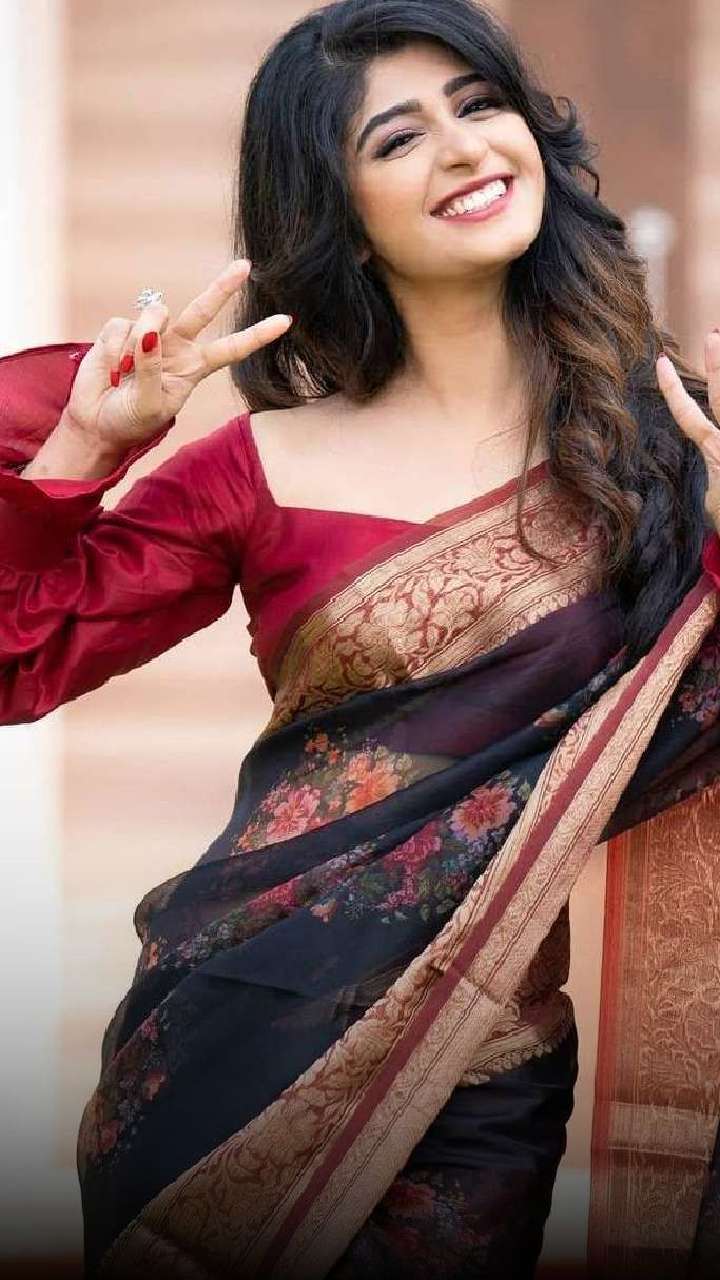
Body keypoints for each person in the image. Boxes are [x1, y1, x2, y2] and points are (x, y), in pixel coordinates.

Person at [2, 0, 720, 1275]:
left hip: (481, 1063)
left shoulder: (666, 447)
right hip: (230, 1036)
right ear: (335, 209)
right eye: (398, 137)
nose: (464, 147)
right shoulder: (252, 470)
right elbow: (19, 659)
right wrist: (85, 449)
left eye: (480, 104)